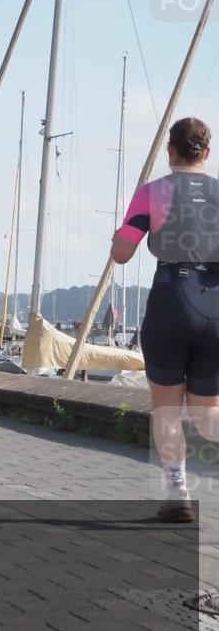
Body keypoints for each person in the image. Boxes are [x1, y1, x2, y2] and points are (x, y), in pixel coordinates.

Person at [111, 117, 218, 523]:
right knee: (209, 417)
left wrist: (118, 236)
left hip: (172, 297)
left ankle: (178, 494)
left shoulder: (152, 192)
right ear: (206, 154)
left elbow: (122, 253)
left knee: (168, 409)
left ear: (170, 151)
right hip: (216, 306)